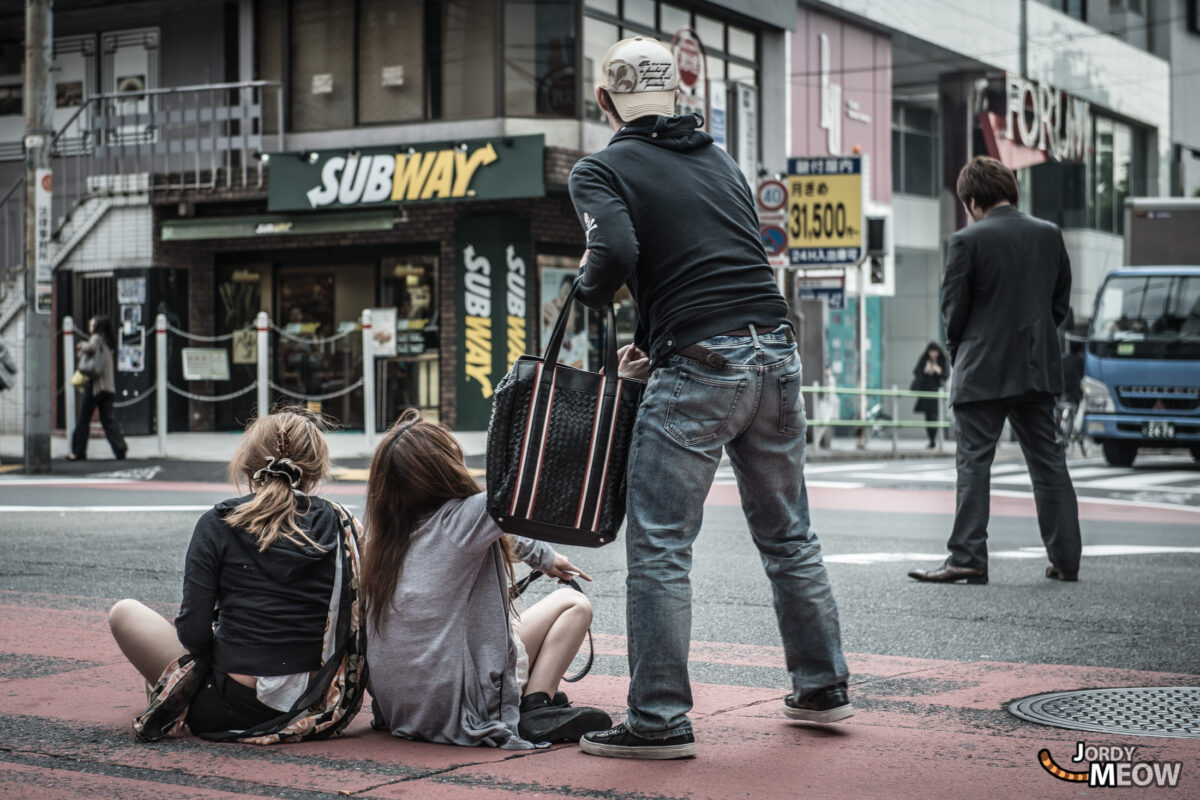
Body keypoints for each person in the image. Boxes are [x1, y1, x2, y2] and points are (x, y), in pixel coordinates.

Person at [567, 36, 851, 760]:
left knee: (661, 544)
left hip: (700, 364)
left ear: (606, 102)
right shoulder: (720, 160)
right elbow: (718, 253)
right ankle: (820, 682)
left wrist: (592, 293)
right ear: (676, 98)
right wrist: (654, 330)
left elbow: (620, 253)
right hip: (775, 350)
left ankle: (658, 719)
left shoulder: (600, 168)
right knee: (789, 533)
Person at [107, 409, 367, 741]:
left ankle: (174, 699)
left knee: (125, 612)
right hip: (313, 703)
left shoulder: (217, 523)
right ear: (315, 471)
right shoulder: (343, 524)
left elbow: (193, 634)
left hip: (228, 707)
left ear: (248, 464)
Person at [362, 409, 611, 748]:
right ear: (446, 466)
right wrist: (547, 559)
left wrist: (546, 558)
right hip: (463, 707)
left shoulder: (382, 539)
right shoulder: (463, 518)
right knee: (574, 604)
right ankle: (537, 706)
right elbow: (528, 478)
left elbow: (503, 523)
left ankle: (532, 699)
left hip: (401, 711)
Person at [908, 156, 1082, 586]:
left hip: (981, 369)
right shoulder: (1049, 235)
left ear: (970, 200)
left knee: (974, 464)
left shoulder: (966, 241)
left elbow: (954, 312)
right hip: (1036, 367)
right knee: (1048, 463)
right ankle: (1066, 560)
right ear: (1011, 190)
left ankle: (968, 557)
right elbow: (1060, 305)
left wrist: (960, 352)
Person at [69, 314, 127, 461]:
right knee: (108, 420)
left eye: (92, 324)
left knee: (83, 418)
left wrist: (81, 345)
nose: (89, 326)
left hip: (96, 386)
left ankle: (78, 451)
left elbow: (90, 347)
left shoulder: (96, 338)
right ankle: (120, 448)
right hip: (108, 387)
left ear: (97, 326)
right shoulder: (108, 341)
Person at [912, 342, 948, 449]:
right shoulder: (923, 360)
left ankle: (934, 439)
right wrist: (925, 370)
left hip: (936, 391)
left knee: (935, 416)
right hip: (925, 391)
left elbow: (946, 375)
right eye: (932, 351)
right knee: (928, 417)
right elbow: (916, 372)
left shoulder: (942, 361)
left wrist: (938, 370)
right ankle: (931, 440)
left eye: (935, 352)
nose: (933, 354)